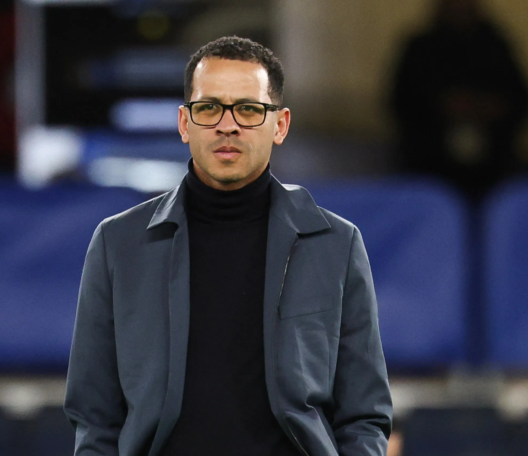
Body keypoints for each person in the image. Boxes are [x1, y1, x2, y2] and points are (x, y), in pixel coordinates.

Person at [64, 36, 392, 456]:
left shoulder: (335, 244)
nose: (227, 125)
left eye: (249, 109)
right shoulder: (118, 244)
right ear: (185, 123)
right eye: (209, 108)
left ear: (280, 125)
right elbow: (94, 417)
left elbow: (364, 415)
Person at [391, 0, 528, 199]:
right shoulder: (420, 48)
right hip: (430, 169)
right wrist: (442, 107)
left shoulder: (494, 46)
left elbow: (524, 99)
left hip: (492, 171)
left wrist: (490, 107)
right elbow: (400, 103)